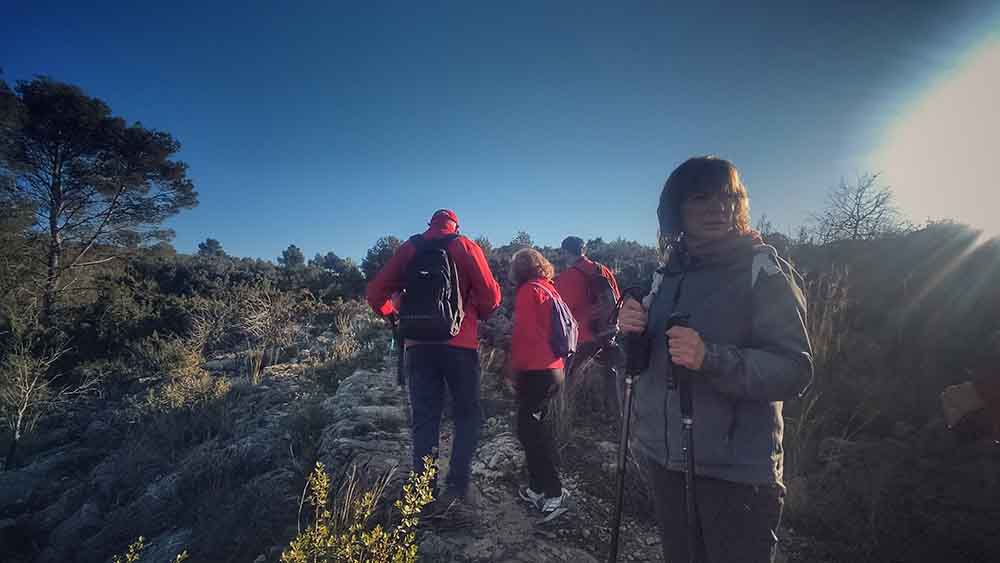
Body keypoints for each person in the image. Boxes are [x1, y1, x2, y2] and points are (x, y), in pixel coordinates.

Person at [618, 156, 813, 563]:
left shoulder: (763, 270)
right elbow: (647, 363)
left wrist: (711, 358)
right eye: (701, 197)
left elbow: (794, 369)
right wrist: (630, 333)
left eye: (729, 196)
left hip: (736, 474)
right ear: (677, 209)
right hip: (667, 461)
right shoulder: (665, 274)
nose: (718, 207)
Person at [366, 209, 502, 511]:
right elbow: (492, 296)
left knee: (425, 418)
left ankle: (423, 493)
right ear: (456, 225)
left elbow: (375, 293)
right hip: (460, 344)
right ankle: (457, 489)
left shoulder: (410, 247)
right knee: (467, 416)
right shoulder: (465, 245)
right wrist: (475, 313)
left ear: (429, 225)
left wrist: (394, 315)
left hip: (417, 346)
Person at [508, 248, 570, 515]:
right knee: (533, 429)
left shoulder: (527, 291)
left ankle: (554, 492)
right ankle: (536, 488)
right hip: (554, 370)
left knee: (530, 432)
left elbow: (525, 336)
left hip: (536, 371)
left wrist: (512, 371)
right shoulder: (550, 288)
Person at [554, 236, 622, 413]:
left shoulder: (567, 277)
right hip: (608, 332)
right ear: (584, 250)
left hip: (583, 337)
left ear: (565, 253)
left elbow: (562, 311)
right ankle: (616, 416)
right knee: (610, 375)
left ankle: (566, 416)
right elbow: (617, 300)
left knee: (568, 379)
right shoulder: (603, 270)